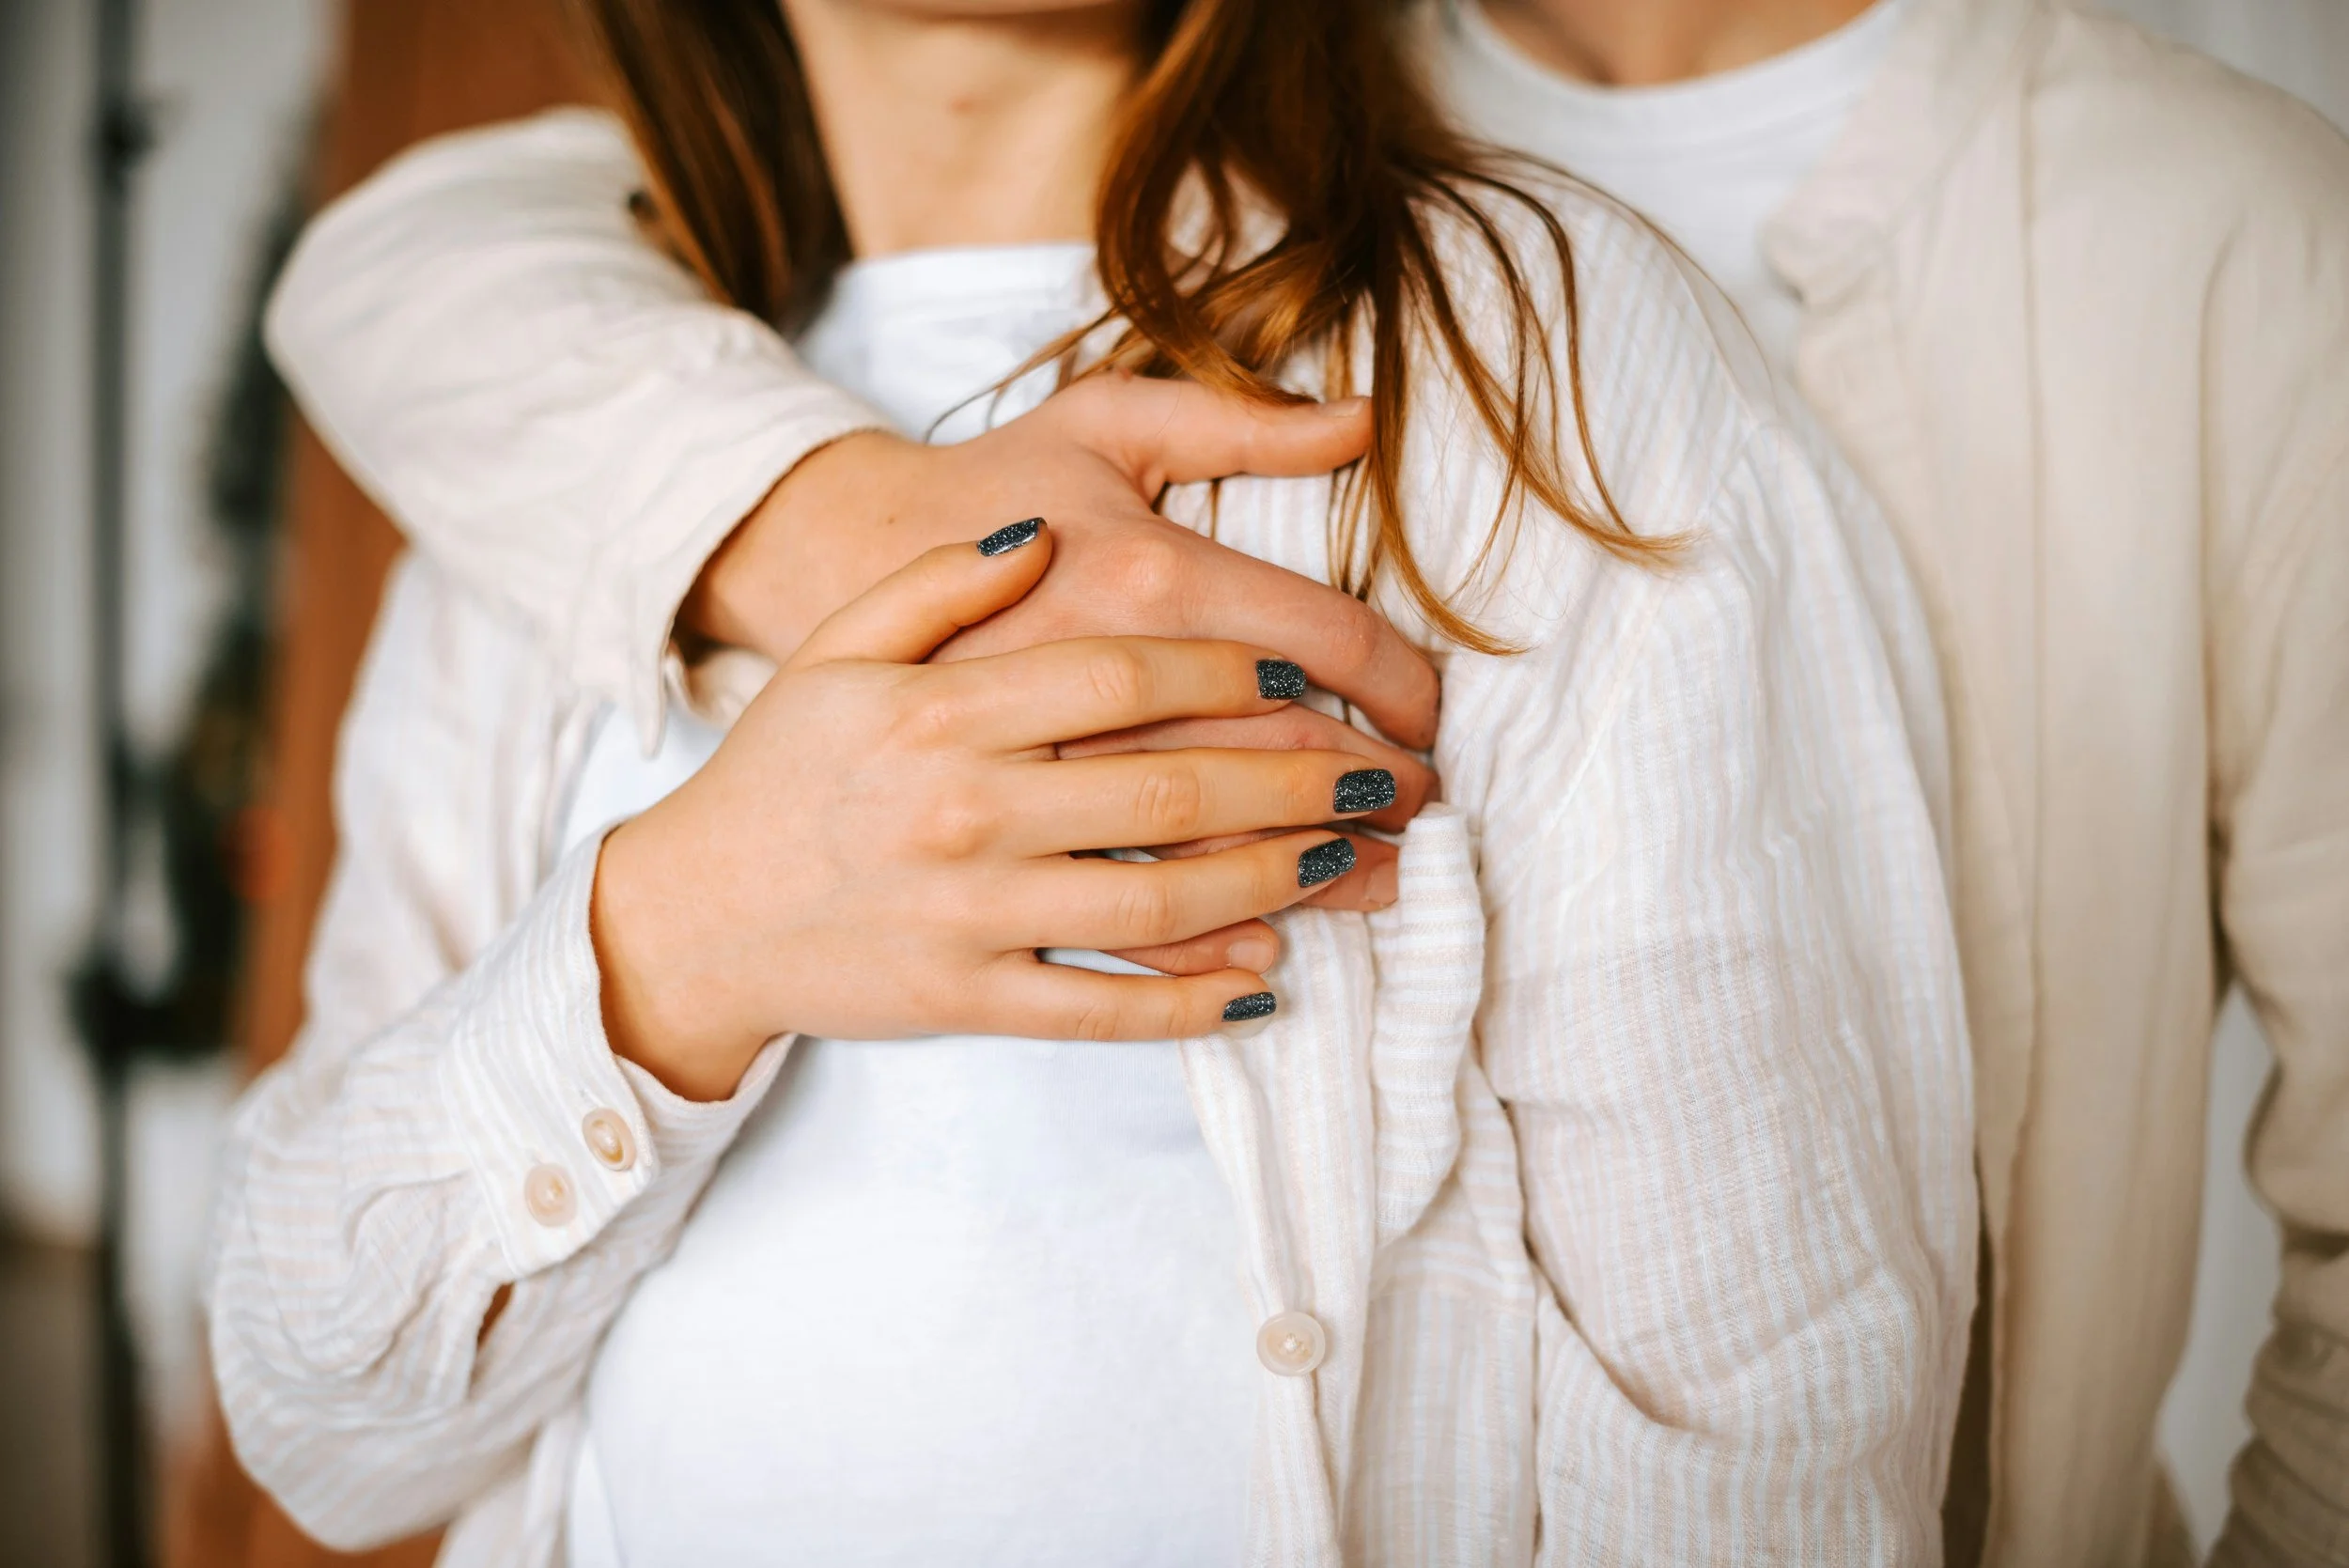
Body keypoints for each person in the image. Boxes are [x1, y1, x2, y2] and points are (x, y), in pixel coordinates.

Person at [255, 0, 2349, 1561]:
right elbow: (323, 1418)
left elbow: (1760, 1431)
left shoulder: (1530, 358)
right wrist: (679, 935)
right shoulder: (562, 456)